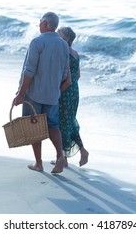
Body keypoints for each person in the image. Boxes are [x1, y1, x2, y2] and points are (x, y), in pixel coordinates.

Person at [13, 12, 70, 174]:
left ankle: (39, 163)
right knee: (53, 125)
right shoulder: (64, 45)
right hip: (53, 94)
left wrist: (21, 94)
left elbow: (29, 71)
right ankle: (60, 156)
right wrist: (54, 89)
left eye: (40, 23)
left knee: (33, 127)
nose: (39, 25)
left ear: (45, 24)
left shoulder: (37, 42)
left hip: (34, 94)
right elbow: (65, 74)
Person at [56, 26, 89, 167]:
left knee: (62, 122)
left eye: (60, 35)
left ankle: (64, 158)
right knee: (69, 121)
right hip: (75, 90)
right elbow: (78, 75)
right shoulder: (75, 54)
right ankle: (81, 150)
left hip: (65, 90)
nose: (57, 37)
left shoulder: (63, 53)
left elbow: (63, 76)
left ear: (66, 39)